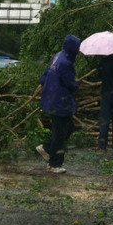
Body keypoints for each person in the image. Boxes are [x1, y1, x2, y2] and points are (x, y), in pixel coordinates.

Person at [37, 34, 81, 173]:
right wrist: (77, 84)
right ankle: (54, 164)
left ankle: (47, 148)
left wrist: (42, 82)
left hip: (53, 98)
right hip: (59, 101)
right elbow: (71, 84)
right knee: (60, 132)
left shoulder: (58, 56)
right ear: (72, 48)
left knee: (68, 128)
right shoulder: (66, 63)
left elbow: (46, 71)